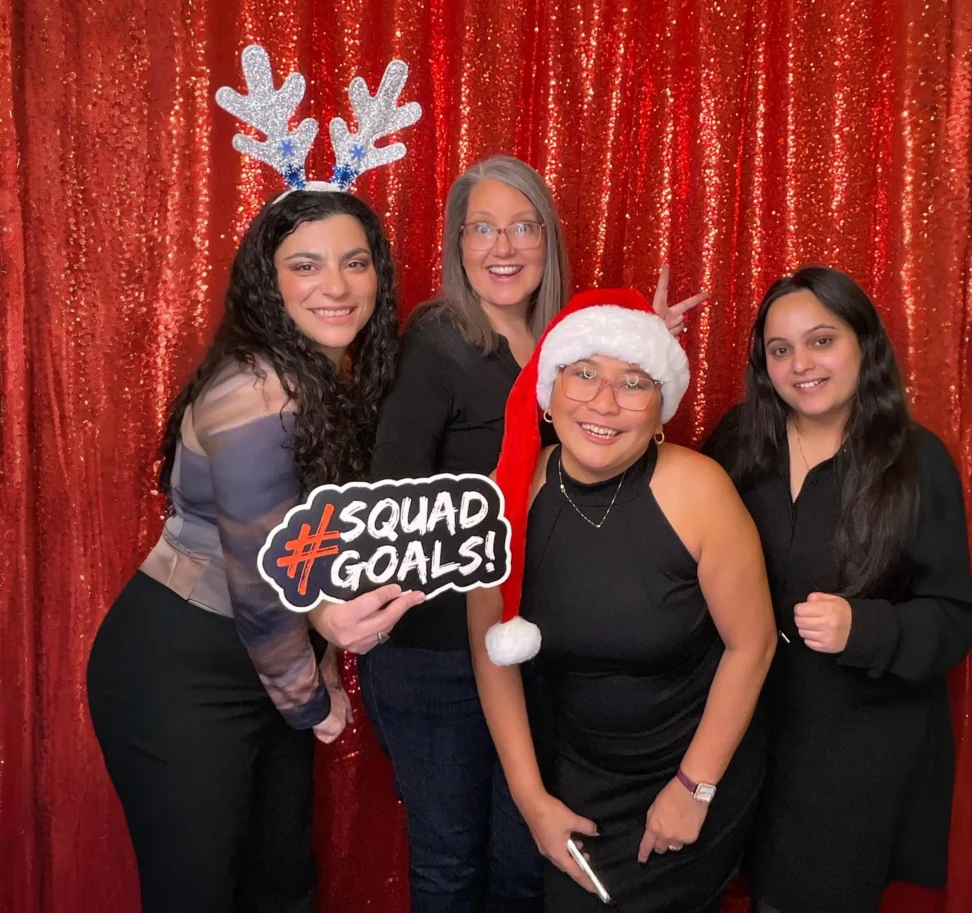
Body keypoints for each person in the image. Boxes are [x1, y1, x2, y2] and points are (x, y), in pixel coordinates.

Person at [358, 155, 705, 913]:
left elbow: (610, 423)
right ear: (457, 245)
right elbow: (389, 505)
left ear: (548, 241)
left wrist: (643, 342)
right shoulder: (437, 345)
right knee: (453, 862)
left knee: (527, 853)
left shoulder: (562, 346)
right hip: (439, 655)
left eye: (522, 226)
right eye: (481, 228)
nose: (502, 245)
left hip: (537, 652)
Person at [86, 190, 424, 913]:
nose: (335, 285)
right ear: (269, 280)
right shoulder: (256, 388)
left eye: (354, 263)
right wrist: (312, 697)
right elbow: (263, 577)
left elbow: (320, 544)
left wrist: (318, 666)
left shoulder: (328, 375)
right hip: (184, 668)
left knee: (280, 887)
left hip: (265, 659)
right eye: (307, 264)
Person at [467, 288, 777, 913]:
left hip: (697, 764)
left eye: (633, 383)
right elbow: (490, 655)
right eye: (584, 375)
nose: (603, 403)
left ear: (661, 409)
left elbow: (753, 645)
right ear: (550, 394)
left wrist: (695, 787)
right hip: (583, 773)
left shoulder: (698, 490)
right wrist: (533, 802)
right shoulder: (507, 494)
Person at [702, 266, 972, 913]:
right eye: (780, 349)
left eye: (821, 340)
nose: (801, 363)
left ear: (864, 343)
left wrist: (865, 627)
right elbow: (664, 523)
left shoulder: (917, 460)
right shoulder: (739, 442)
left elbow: (956, 613)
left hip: (851, 757)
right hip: (742, 735)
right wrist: (645, 369)